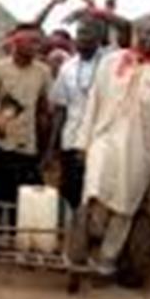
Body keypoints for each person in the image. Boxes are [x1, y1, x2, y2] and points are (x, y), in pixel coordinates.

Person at [72, 16, 150, 278]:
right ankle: (89, 240)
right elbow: (94, 101)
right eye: (145, 33)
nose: (149, 39)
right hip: (104, 137)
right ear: (136, 33)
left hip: (143, 146)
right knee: (94, 190)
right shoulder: (111, 61)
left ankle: (106, 260)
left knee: (125, 205)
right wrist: (83, 141)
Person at [0, 25, 53, 225]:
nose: (36, 47)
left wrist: (45, 151)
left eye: (38, 42)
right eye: (31, 41)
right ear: (16, 43)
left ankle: (14, 243)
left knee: (21, 203)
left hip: (26, 147)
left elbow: (43, 111)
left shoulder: (43, 72)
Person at [49, 17, 112, 210]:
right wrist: (53, 145)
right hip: (72, 138)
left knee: (96, 191)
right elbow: (61, 108)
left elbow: (126, 30)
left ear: (99, 37)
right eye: (79, 34)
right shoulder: (67, 67)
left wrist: (96, 10)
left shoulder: (111, 63)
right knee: (70, 191)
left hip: (101, 139)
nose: (81, 38)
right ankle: (71, 233)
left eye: (87, 33)